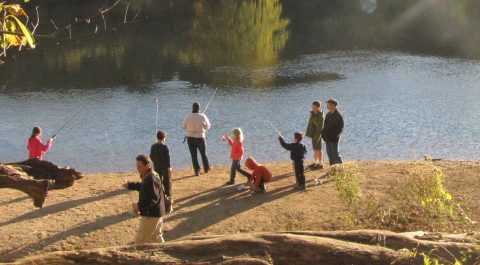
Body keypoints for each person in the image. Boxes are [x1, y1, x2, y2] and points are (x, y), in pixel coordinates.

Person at [123, 155, 166, 244]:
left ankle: (139, 257)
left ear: (148, 165)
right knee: (156, 237)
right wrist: (130, 185)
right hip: (157, 213)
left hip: (151, 215)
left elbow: (152, 199)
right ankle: (166, 251)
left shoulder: (151, 179)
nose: (138, 168)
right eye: (137, 166)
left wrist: (139, 206)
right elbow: (144, 187)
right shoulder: (149, 176)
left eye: (140, 166)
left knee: (141, 240)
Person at [182, 102, 212, 176]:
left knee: (193, 155)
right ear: (199, 108)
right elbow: (208, 127)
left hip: (190, 138)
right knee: (203, 154)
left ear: (192, 108)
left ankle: (197, 171)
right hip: (200, 137)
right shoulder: (203, 116)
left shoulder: (188, 116)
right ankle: (206, 168)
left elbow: (183, 126)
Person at [150, 130, 173, 213]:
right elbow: (168, 158)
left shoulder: (153, 146)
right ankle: (168, 199)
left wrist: (156, 162)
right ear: (164, 138)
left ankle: (160, 198)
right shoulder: (165, 147)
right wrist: (169, 167)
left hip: (157, 167)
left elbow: (151, 157)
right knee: (167, 184)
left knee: (158, 183)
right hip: (165, 167)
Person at [322, 99, 344, 165]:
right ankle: (333, 169)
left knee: (336, 154)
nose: (327, 106)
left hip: (334, 138)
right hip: (327, 138)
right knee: (329, 153)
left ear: (333, 105)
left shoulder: (338, 115)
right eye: (327, 104)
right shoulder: (328, 114)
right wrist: (323, 135)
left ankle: (340, 169)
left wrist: (333, 136)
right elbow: (325, 126)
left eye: (328, 104)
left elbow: (340, 128)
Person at [306, 100, 324, 170]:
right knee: (315, 149)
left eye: (314, 107)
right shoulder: (312, 113)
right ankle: (316, 162)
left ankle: (321, 163)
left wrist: (317, 137)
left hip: (318, 135)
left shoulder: (320, 116)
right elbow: (310, 124)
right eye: (312, 107)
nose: (313, 108)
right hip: (312, 134)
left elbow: (320, 128)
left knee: (319, 149)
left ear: (319, 107)